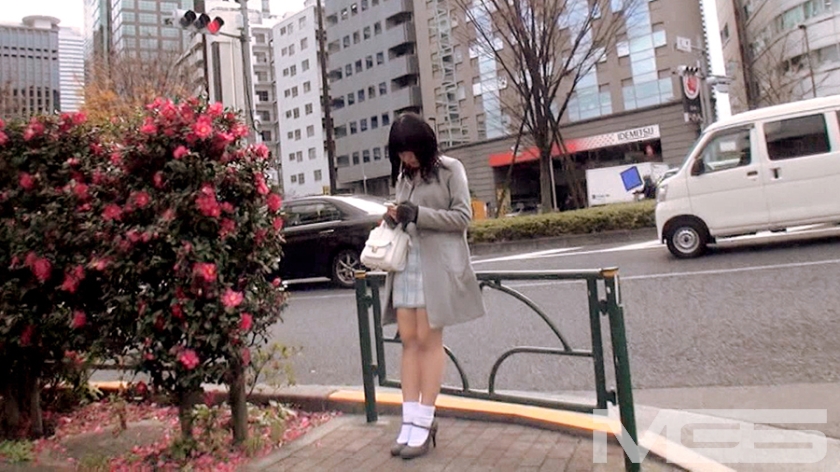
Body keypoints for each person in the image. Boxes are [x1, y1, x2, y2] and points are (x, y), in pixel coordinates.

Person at [382, 113, 487, 460]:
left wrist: (418, 214)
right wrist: (395, 217)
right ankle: (408, 421)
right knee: (408, 341)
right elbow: (407, 216)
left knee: (428, 341)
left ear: (424, 145)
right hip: (406, 265)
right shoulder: (404, 175)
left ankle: (425, 421)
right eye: (400, 153)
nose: (406, 158)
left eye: (410, 151)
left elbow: (462, 217)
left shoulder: (450, 169)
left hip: (435, 268)